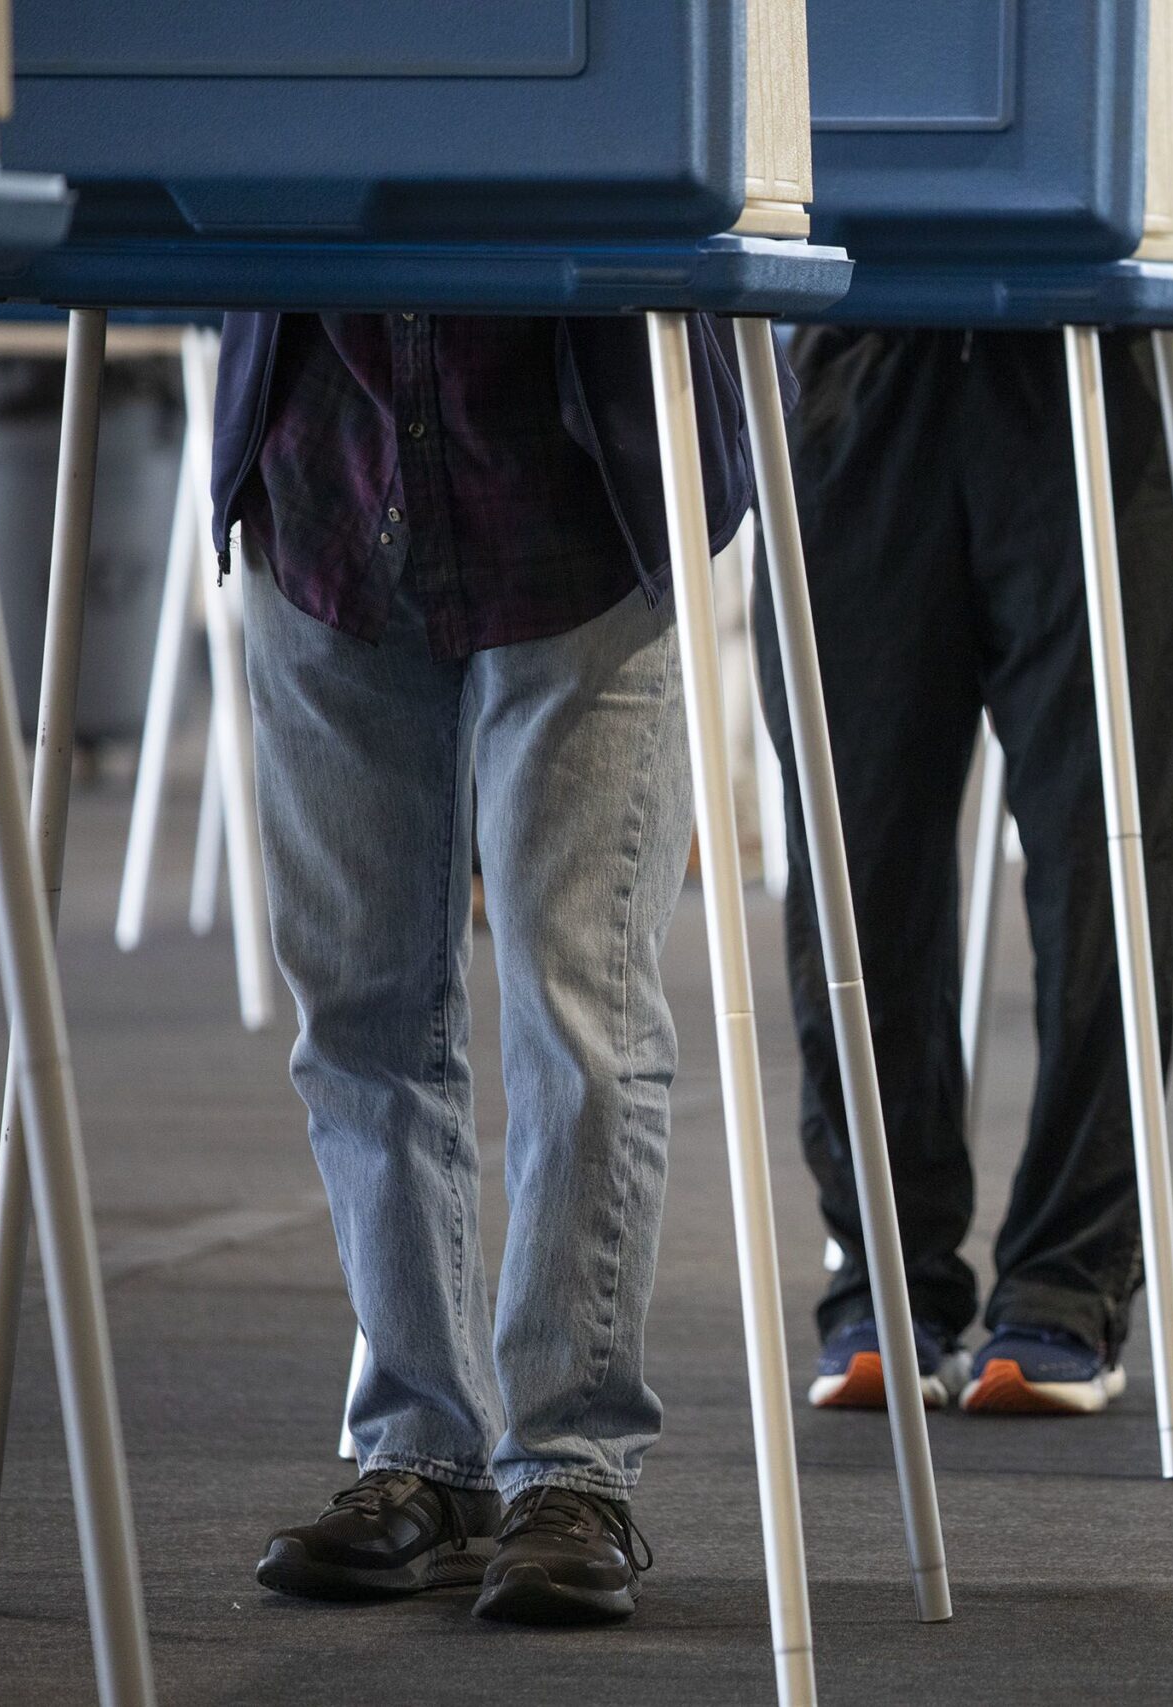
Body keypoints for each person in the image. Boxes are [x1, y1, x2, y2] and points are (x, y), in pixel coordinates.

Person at [750, 0, 1173, 1418]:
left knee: (1111, 857)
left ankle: (1068, 1283)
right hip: (862, 361)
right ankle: (886, 1275)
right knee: (856, 866)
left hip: (1092, 361)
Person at [228, 310, 757, 1621]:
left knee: (580, 1010)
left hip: (584, 480)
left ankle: (571, 1470)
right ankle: (420, 1451)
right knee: (358, 1015)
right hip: (323, 478)